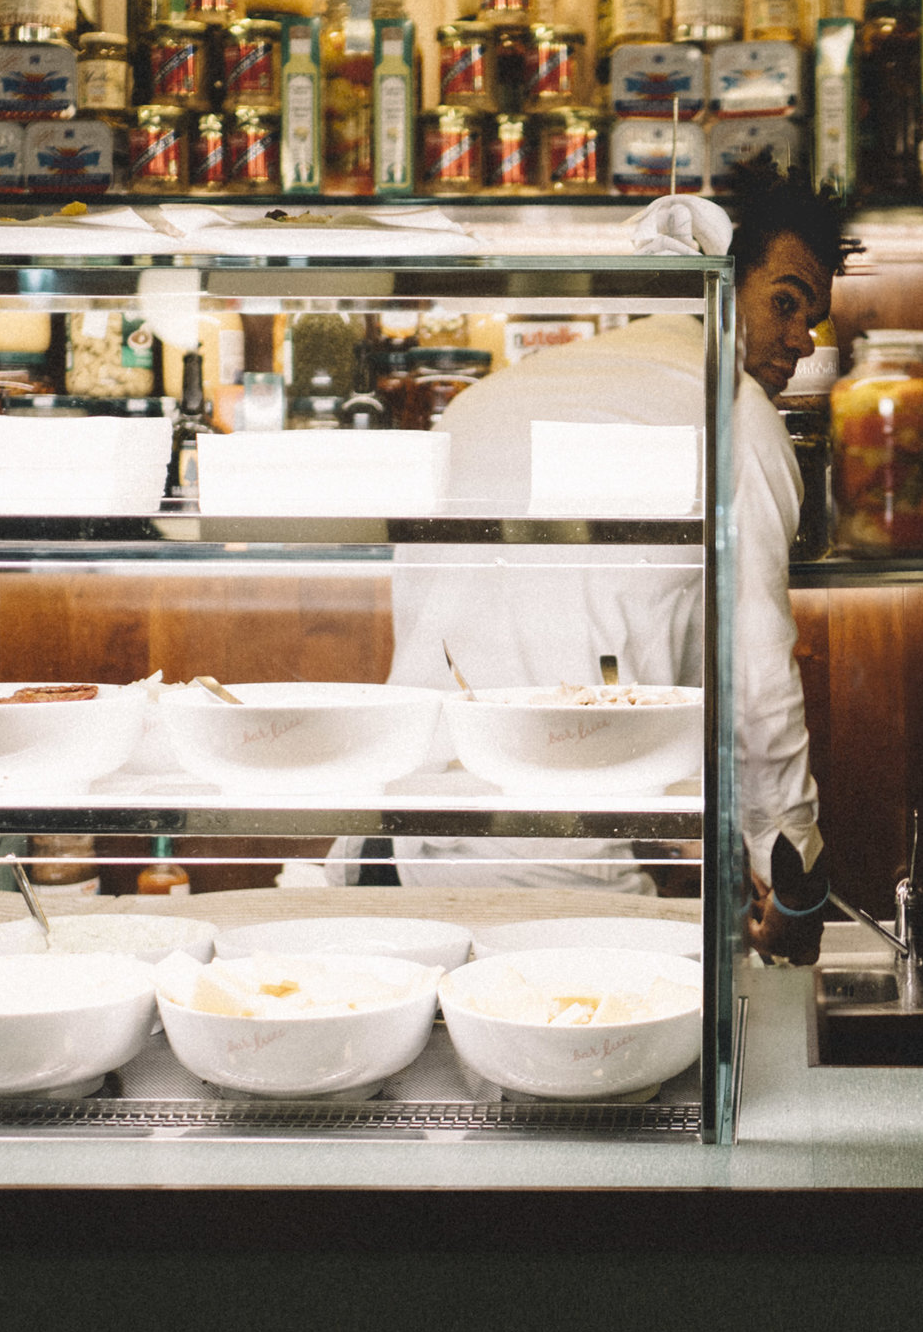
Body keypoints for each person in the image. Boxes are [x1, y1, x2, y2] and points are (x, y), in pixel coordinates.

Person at [335, 171, 850, 964]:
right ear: (714, 281)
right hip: (552, 868)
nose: (804, 338)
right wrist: (795, 876)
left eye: (812, 318)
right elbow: (759, 685)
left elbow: (504, 632)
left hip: (393, 841)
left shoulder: (484, 398)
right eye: (785, 301)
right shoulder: (735, 413)